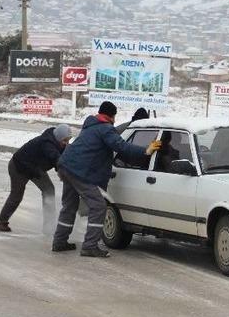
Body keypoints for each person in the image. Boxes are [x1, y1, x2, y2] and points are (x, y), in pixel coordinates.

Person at [53, 101, 161, 257]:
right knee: (98, 206)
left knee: (69, 206)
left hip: (65, 166)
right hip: (79, 171)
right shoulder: (105, 129)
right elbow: (121, 146)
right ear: (112, 116)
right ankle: (90, 246)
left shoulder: (90, 126)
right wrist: (146, 151)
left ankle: (59, 241)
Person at [0, 124, 72, 234]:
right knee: (16, 196)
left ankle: (49, 226)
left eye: (68, 140)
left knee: (49, 190)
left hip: (35, 169)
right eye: (65, 140)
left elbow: (61, 158)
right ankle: (1, 222)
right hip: (19, 167)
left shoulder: (58, 143)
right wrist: (63, 172)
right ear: (58, 137)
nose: (67, 143)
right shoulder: (47, 143)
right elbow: (56, 159)